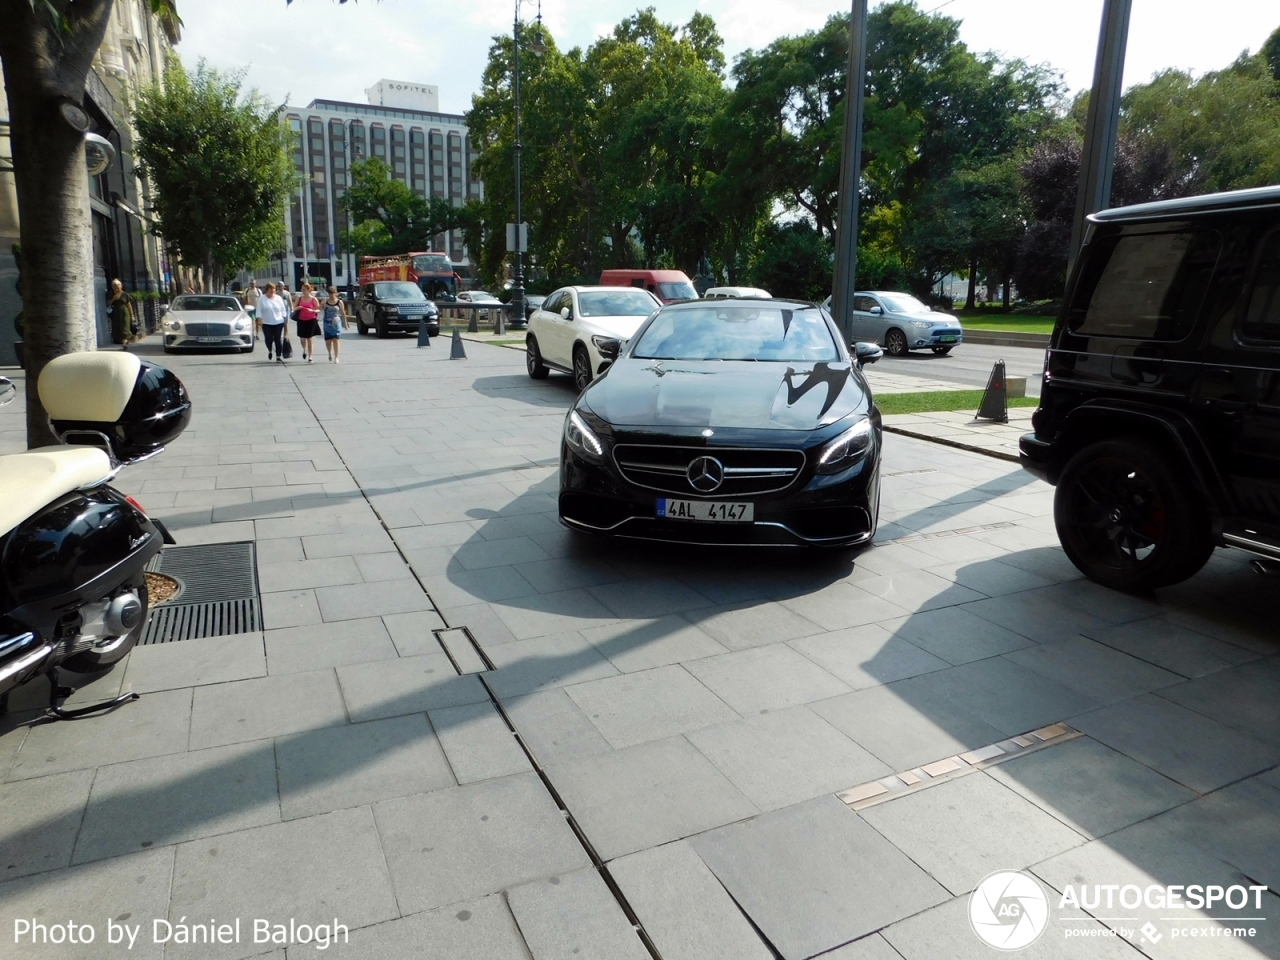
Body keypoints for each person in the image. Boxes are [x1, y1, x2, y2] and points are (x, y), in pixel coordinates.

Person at [258, 281, 289, 362]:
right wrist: (259, 319)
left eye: (274, 290)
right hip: (266, 322)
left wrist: (285, 319)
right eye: (271, 291)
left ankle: (278, 355)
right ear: (267, 290)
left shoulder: (278, 298)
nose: (273, 292)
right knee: (268, 339)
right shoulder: (262, 298)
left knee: (277, 339)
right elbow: (259, 310)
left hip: (278, 322)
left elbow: (283, 309)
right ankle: (270, 350)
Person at [321, 286, 348, 362]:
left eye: (333, 294)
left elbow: (343, 313)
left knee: (336, 339)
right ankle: (329, 353)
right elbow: (319, 309)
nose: (331, 296)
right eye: (330, 294)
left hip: (336, 323)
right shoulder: (325, 302)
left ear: (335, 293)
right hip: (327, 323)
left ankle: (336, 357)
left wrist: (345, 323)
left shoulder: (339, 302)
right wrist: (321, 304)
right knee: (328, 341)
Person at [295, 282, 321, 362]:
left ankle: (310, 356)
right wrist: (298, 307)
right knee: (302, 338)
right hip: (301, 320)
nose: (302, 291)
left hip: (311, 320)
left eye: (304, 290)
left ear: (309, 290)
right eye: (302, 289)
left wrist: (312, 310)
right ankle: (304, 349)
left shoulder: (313, 299)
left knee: (309, 339)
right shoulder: (299, 298)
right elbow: (294, 307)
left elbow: (318, 309)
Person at [107, 279, 134, 346]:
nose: (117, 289)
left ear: (121, 286)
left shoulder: (125, 295)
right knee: (117, 326)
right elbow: (109, 303)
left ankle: (125, 342)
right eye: (115, 287)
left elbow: (129, 305)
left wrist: (132, 315)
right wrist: (113, 299)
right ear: (113, 287)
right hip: (115, 313)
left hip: (124, 312)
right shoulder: (111, 294)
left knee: (125, 326)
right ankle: (119, 340)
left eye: (118, 287)